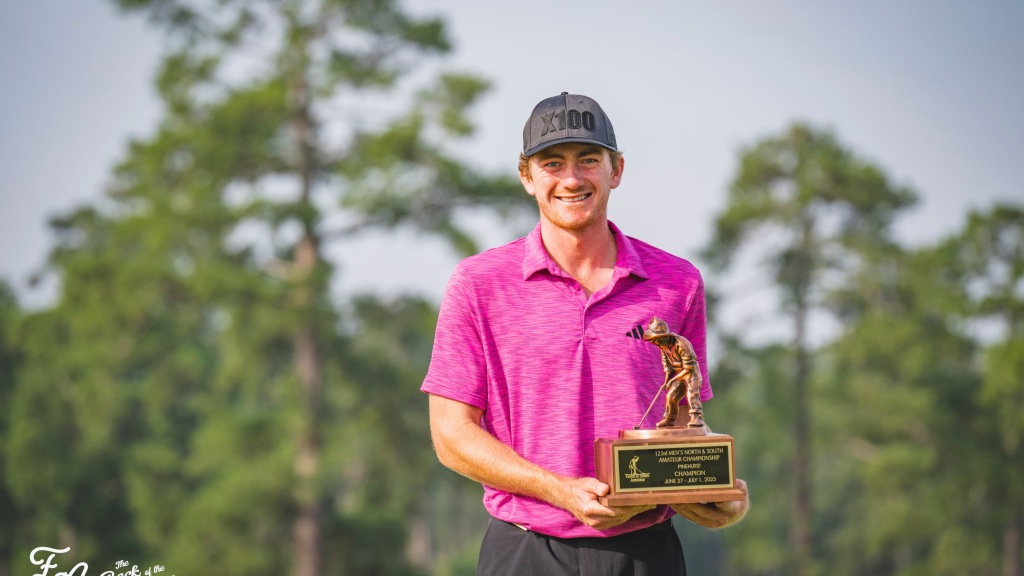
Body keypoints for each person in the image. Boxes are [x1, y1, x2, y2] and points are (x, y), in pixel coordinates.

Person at [422, 92, 749, 575]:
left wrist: (716, 494)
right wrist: (559, 490)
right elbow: (451, 436)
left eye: (588, 160)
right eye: (552, 163)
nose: (571, 179)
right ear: (526, 176)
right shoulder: (478, 284)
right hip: (526, 550)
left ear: (616, 170)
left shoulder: (678, 282)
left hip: (646, 552)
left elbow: (684, 420)